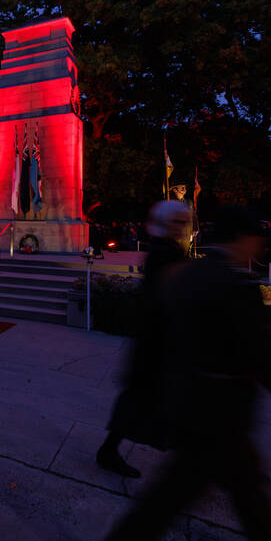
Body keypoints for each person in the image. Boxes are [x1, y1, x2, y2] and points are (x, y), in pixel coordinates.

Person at [89, 206, 271, 541]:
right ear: (240, 239)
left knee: (228, 488)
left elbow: (159, 332)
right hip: (220, 408)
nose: (261, 245)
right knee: (194, 491)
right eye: (256, 237)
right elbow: (270, 361)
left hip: (191, 400)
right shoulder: (234, 285)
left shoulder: (189, 275)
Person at [96, 200, 191, 478]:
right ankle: (109, 451)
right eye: (177, 222)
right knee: (137, 401)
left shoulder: (166, 250)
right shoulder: (164, 254)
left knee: (143, 401)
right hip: (157, 341)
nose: (182, 227)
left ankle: (111, 450)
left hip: (157, 340)